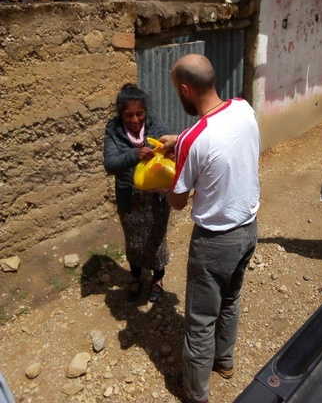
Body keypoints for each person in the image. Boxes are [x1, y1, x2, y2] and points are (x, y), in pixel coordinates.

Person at [158, 54, 261, 403]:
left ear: (185, 89)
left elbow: (177, 201)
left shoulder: (193, 139)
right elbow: (215, 138)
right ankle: (225, 362)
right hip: (248, 230)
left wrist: (160, 179)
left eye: (177, 91)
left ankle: (196, 395)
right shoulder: (243, 108)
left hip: (214, 242)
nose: (179, 96)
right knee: (230, 299)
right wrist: (180, 140)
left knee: (200, 321)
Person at [103, 83, 171, 303]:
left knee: (156, 239)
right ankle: (136, 278)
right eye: (129, 115)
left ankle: (157, 279)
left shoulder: (154, 124)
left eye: (139, 114)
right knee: (133, 241)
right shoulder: (113, 130)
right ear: (121, 114)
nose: (135, 120)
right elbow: (110, 164)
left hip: (156, 196)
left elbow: (168, 149)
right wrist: (135, 154)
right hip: (129, 198)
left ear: (145, 112)